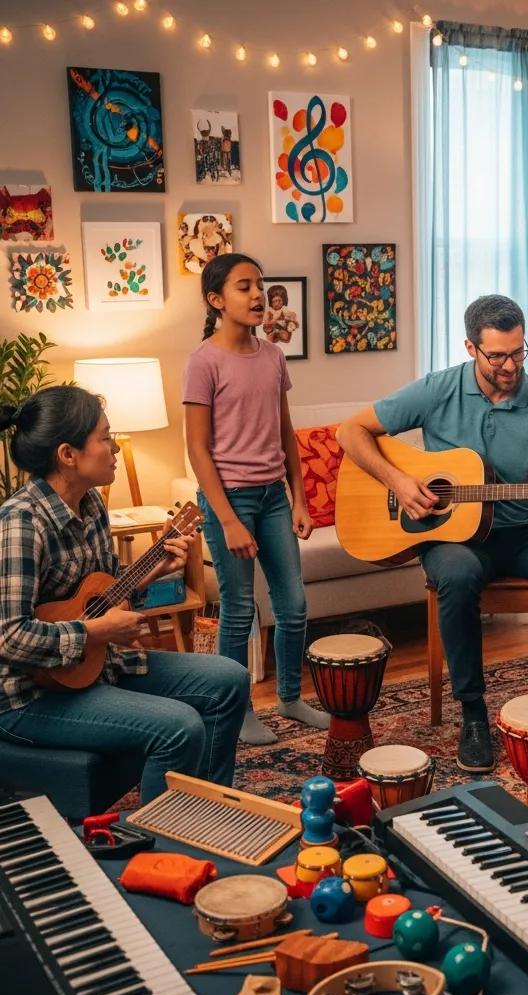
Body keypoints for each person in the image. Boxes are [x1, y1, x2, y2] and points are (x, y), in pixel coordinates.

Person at [337, 294, 528, 772]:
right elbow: (350, 432)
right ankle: (473, 715)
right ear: (471, 348)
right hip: (451, 538)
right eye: (497, 356)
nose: (510, 366)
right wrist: (400, 482)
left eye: (518, 352)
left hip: (521, 532)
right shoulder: (439, 389)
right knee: (457, 576)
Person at [0, 386, 248, 804]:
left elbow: (103, 591)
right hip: (27, 697)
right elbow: (9, 637)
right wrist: (96, 633)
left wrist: (152, 573)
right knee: (179, 725)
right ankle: (158, 840)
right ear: (68, 454)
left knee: (230, 680)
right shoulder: (20, 523)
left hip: (96, 667)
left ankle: (206, 811)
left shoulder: (91, 505)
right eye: (105, 437)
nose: (114, 447)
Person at [184, 252, 325, 745]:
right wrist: (227, 520)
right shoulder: (203, 362)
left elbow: (286, 433)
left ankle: (289, 698)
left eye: (260, 285)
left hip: (273, 498)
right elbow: (197, 449)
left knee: (294, 605)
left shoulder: (273, 356)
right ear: (216, 299)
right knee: (239, 609)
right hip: (231, 500)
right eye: (244, 286)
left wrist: (300, 500)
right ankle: (237, 711)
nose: (258, 294)